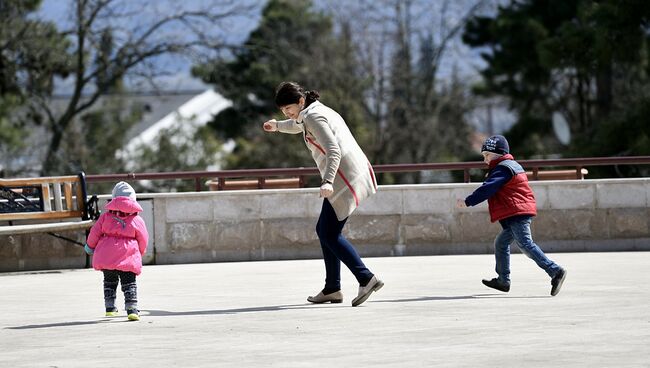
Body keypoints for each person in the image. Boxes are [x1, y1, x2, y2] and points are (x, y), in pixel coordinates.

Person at [263, 81, 383, 307]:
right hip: (351, 173)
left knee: (328, 233)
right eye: (283, 111)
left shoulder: (313, 117)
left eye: (288, 108)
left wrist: (327, 181)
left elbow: (333, 149)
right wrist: (278, 126)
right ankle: (332, 288)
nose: (287, 113)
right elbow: (298, 125)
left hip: (342, 177)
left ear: (300, 101)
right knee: (325, 231)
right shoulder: (313, 111)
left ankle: (366, 278)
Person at [457, 135, 567, 296]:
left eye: (487, 155)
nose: (485, 159)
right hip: (517, 211)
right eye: (483, 156)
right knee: (501, 243)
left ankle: (555, 271)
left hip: (518, 212)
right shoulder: (506, 166)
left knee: (525, 244)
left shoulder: (503, 168)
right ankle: (503, 281)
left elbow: (488, 188)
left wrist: (468, 201)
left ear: (500, 154)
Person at [85, 181, 149, 320]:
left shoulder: (105, 217)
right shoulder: (137, 220)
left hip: (107, 256)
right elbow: (143, 238)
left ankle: (110, 308)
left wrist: (90, 246)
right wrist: (141, 251)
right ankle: (132, 309)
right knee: (129, 283)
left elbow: (94, 232)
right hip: (128, 256)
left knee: (109, 282)